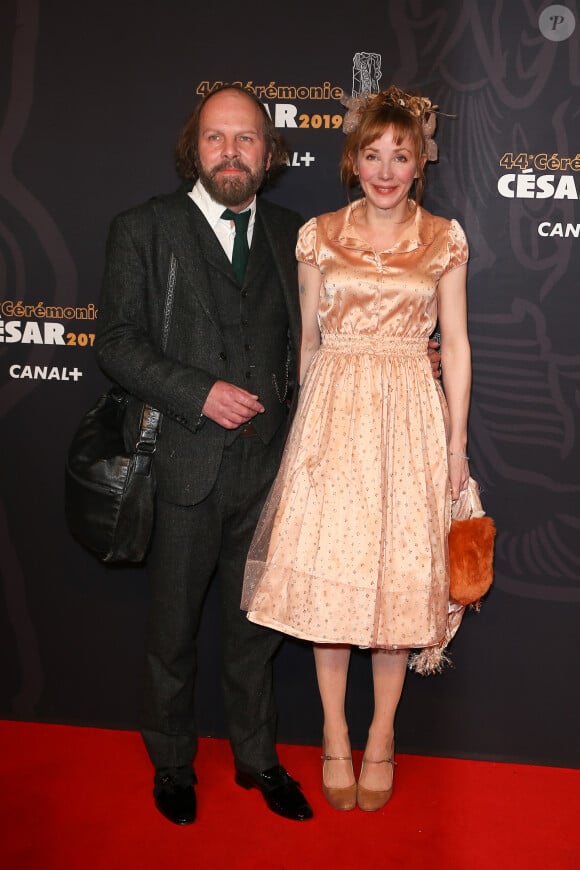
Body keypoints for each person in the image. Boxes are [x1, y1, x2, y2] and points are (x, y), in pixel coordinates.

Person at [243, 85, 471, 813]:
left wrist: (457, 444)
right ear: (353, 158)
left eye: (399, 155)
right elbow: (307, 341)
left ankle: (382, 735)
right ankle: (335, 735)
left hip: (409, 420)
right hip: (333, 419)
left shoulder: (445, 238)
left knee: (397, 588)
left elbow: (459, 346)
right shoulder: (317, 235)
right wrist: (308, 430)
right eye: (372, 154)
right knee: (332, 585)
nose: (384, 169)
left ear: (418, 164)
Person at [95, 85, 313, 824]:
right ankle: (172, 763)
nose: (230, 152)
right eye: (216, 138)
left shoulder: (295, 234)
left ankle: (256, 759)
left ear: (269, 153)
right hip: (184, 466)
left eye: (246, 139)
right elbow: (117, 343)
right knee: (172, 631)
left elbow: (327, 338)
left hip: (270, 472)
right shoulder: (144, 229)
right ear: (195, 147)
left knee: (256, 634)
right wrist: (198, 392)